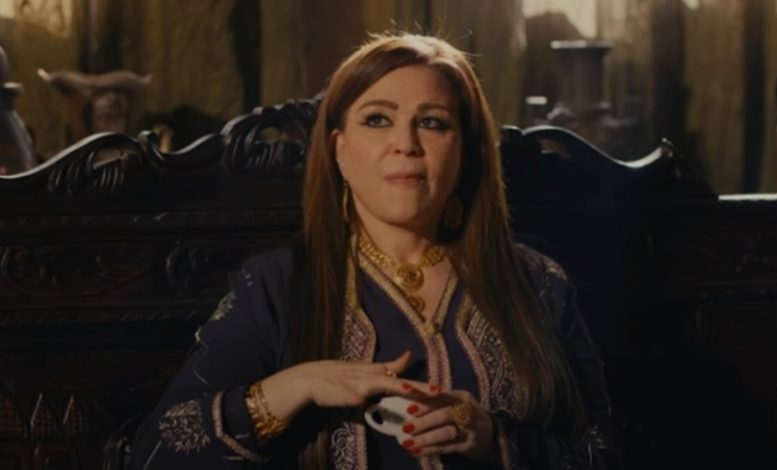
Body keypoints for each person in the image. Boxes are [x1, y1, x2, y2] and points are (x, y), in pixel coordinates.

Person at [131, 32, 623, 469]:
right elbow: (157, 453)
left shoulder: (537, 283)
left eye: (432, 123)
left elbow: (606, 455)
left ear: (466, 152)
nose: (405, 143)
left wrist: (496, 440)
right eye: (377, 119)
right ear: (339, 150)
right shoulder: (277, 286)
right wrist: (295, 387)